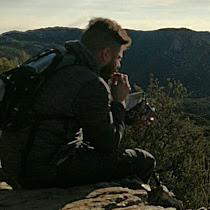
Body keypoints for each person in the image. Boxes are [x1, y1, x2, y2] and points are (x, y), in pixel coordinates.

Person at [0, 18, 156, 190]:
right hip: (46, 171)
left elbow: (65, 115)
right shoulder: (90, 82)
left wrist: (126, 117)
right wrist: (118, 102)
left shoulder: (55, 61)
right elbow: (108, 144)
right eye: (118, 58)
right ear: (105, 54)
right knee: (143, 160)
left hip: (14, 166)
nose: (118, 65)